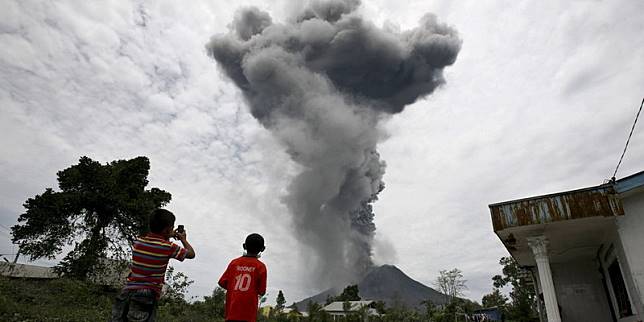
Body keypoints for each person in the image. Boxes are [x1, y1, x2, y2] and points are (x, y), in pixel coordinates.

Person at [111, 208, 196, 322]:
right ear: (167, 230)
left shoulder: (137, 242)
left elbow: (153, 239)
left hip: (126, 292)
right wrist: (182, 239)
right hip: (146, 295)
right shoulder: (168, 247)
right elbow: (191, 254)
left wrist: (167, 234)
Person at [218, 233, 267, 322]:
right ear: (263, 249)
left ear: (244, 246)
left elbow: (222, 282)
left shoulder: (234, 263)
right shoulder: (261, 266)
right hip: (248, 316)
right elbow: (262, 291)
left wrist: (233, 288)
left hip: (231, 313)